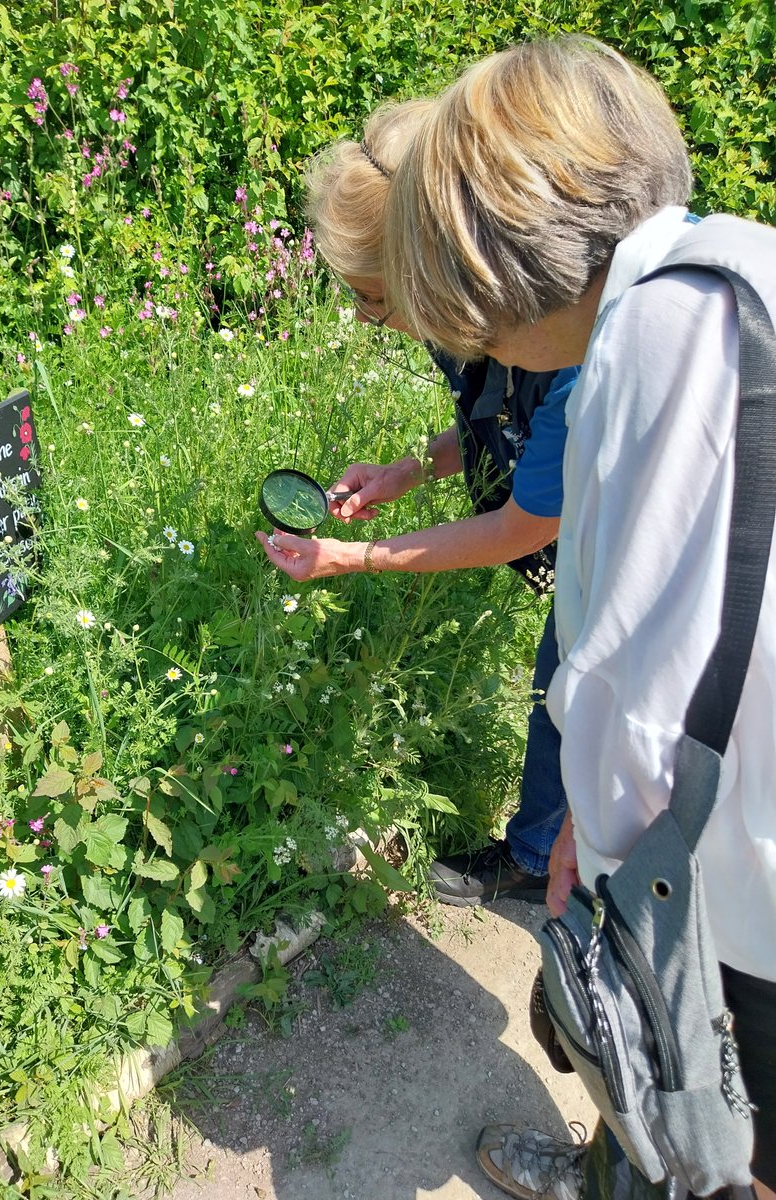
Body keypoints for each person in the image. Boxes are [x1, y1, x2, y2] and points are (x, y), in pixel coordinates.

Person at [383, 34, 776, 1200]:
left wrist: (591, 849)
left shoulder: (644, 345)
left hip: (746, 881)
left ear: (497, 260)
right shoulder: (739, 264)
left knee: (719, 1122)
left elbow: (635, 676)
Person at [256, 100, 579, 905]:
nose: (371, 320)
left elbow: (520, 527)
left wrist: (351, 559)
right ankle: (542, 848)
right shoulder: (484, 320)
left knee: (586, 690)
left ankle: (582, 882)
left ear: (435, 272)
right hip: (597, 538)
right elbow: (499, 419)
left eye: (374, 299)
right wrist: (408, 469)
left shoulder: (581, 358)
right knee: (564, 682)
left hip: (695, 567)